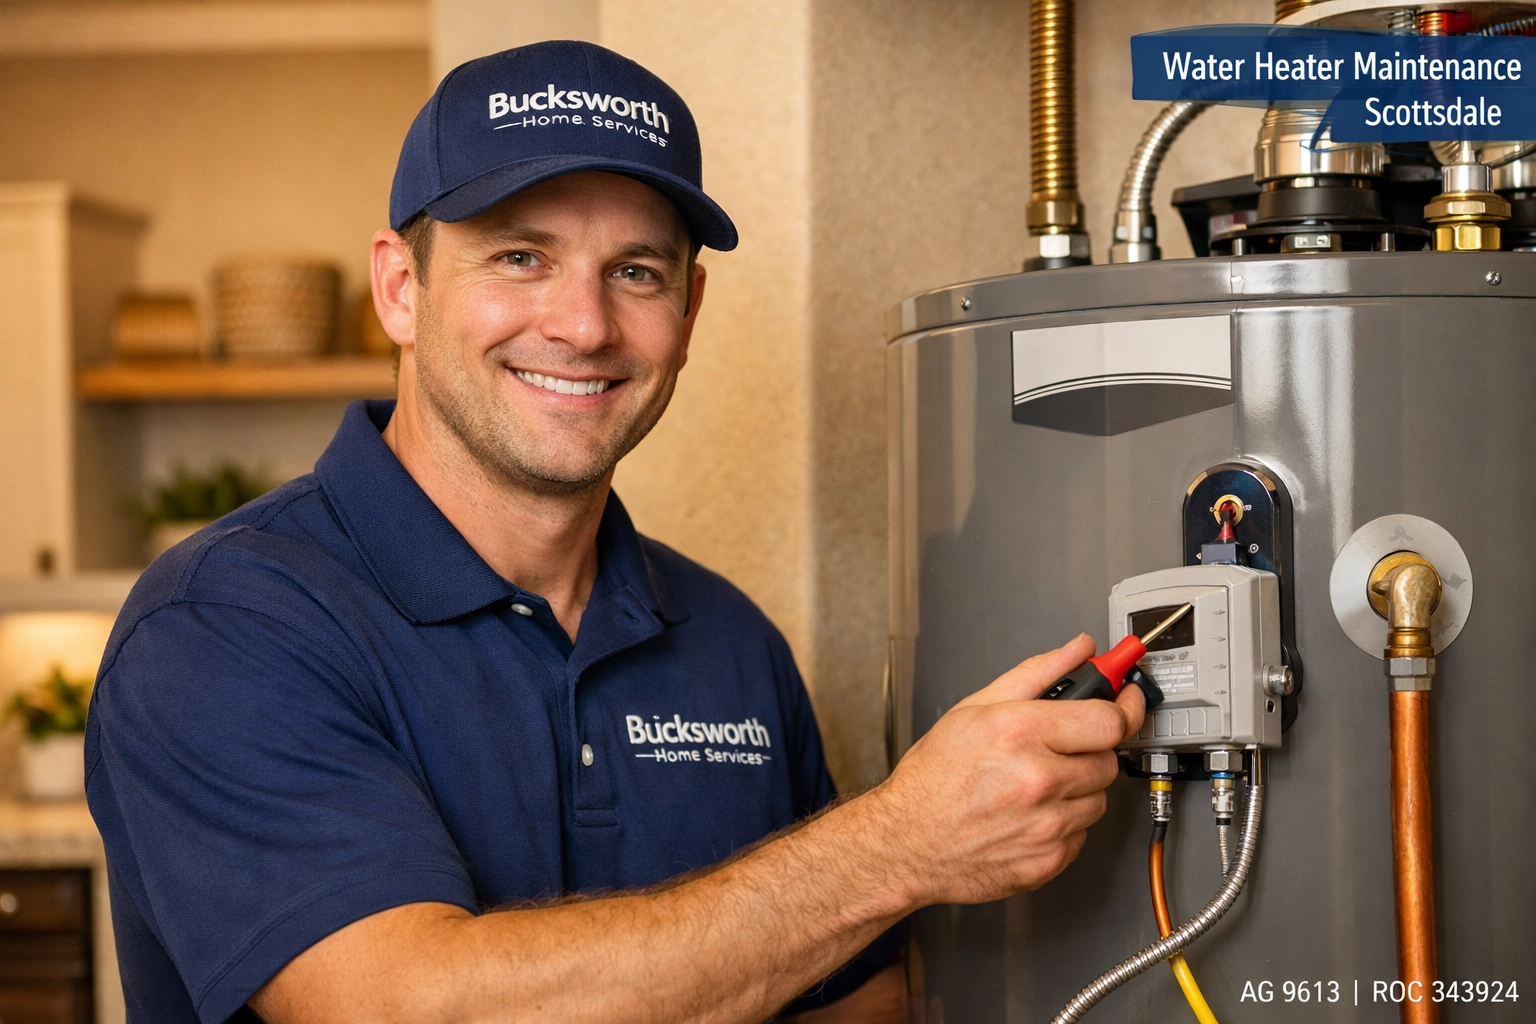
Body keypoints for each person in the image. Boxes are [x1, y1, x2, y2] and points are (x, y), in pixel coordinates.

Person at [85, 40, 1143, 1024]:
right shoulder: (225, 625)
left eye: (635, 271)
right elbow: (412, 1003)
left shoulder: (728, 638)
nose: (584, 325)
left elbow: (847, 1001)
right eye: (520, 258)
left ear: (689, 310)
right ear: (400, 290)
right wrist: (899, 843)